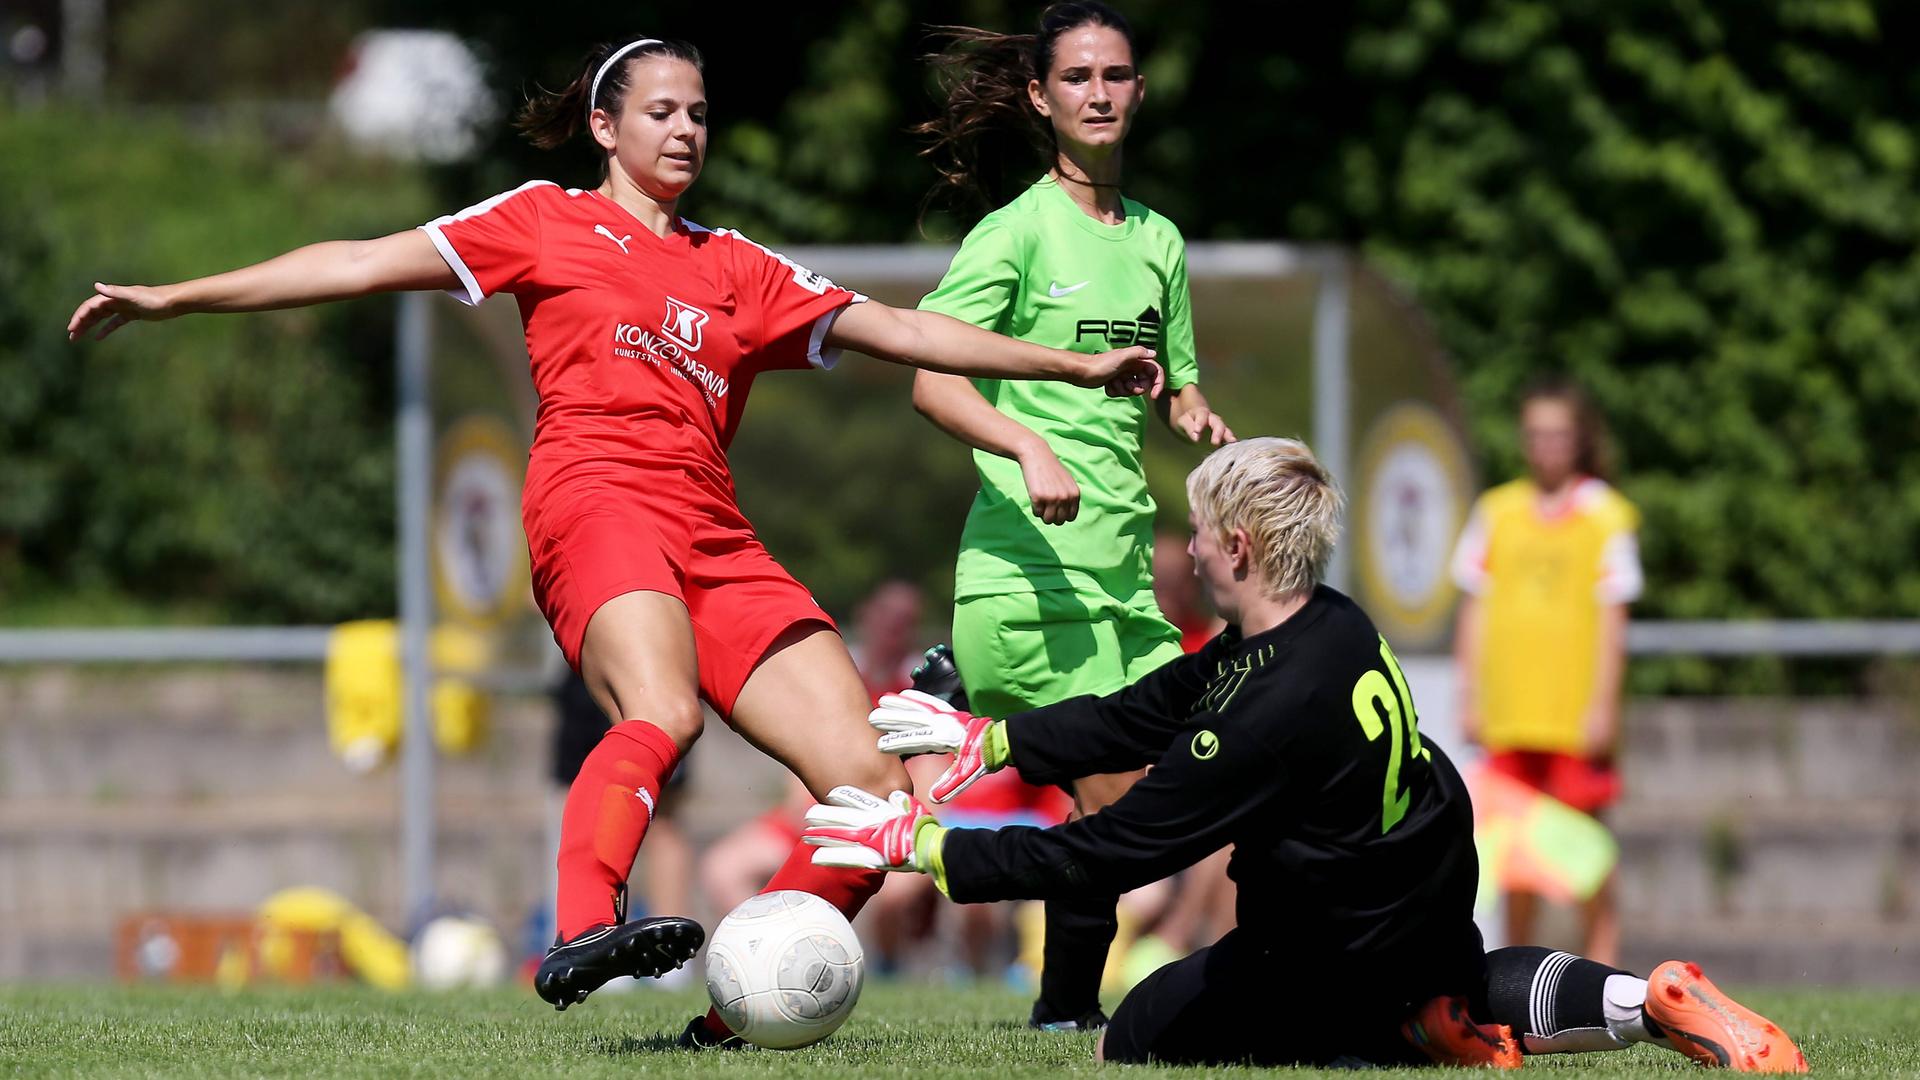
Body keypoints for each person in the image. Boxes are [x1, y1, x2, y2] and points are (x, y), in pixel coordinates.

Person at [64, 34, 1163, 1038]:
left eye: (698, 112)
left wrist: (1070, 369)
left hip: (716, 532)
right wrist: (175, 298)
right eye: (661, 112)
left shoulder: (739, 265)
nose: (685, 129)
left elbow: (909, 329)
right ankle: (585, 927)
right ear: (606, 128)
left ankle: (737, 1019)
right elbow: (355, 260)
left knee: (870, 791)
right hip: (593, 499)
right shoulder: (543, 219)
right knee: (665, 712)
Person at [804, 437, 1805, 1072]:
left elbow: (1106, 854)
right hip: (1419, 885)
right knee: (1461, 978)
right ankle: (1640, 999)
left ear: (1237, 547)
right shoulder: (1326, 619)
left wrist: (926, 846)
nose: (1187, 550)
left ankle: (1392, 1036)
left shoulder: (1263, 713)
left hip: (1329, 939)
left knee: (1131, 1038)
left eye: (1198, 532)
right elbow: (1159, 701)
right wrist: (997, 738)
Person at [909, 0, 1232, 1031]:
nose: (1101, 92)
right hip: (1029, 581)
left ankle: (1061, 1008)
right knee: (1122, 807)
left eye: (1118, 75)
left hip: (1125, 586)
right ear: (1043, 99)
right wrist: (1026, 442)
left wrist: (1194, 412)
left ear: (1139, 93)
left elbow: (1173, 383)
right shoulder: (1014, 233)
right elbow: (930, 377)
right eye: (1080, 77)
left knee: (1164, 804)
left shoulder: (1159, 242)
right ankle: (931, 861)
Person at [1451, 377, 1639, 964]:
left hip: (1571, 715)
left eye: (1558, 434)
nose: (1546, 446)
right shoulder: (1497, 511)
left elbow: (1613, 622)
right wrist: (1472, 695)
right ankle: (1523, 973)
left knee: (1585, 855)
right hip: (1512, 713)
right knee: (1516, 859)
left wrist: (1603, 706)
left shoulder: (1607, 516)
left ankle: (1605, 974)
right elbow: (1473, 608)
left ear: (1580, 440)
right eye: (1536, 434)